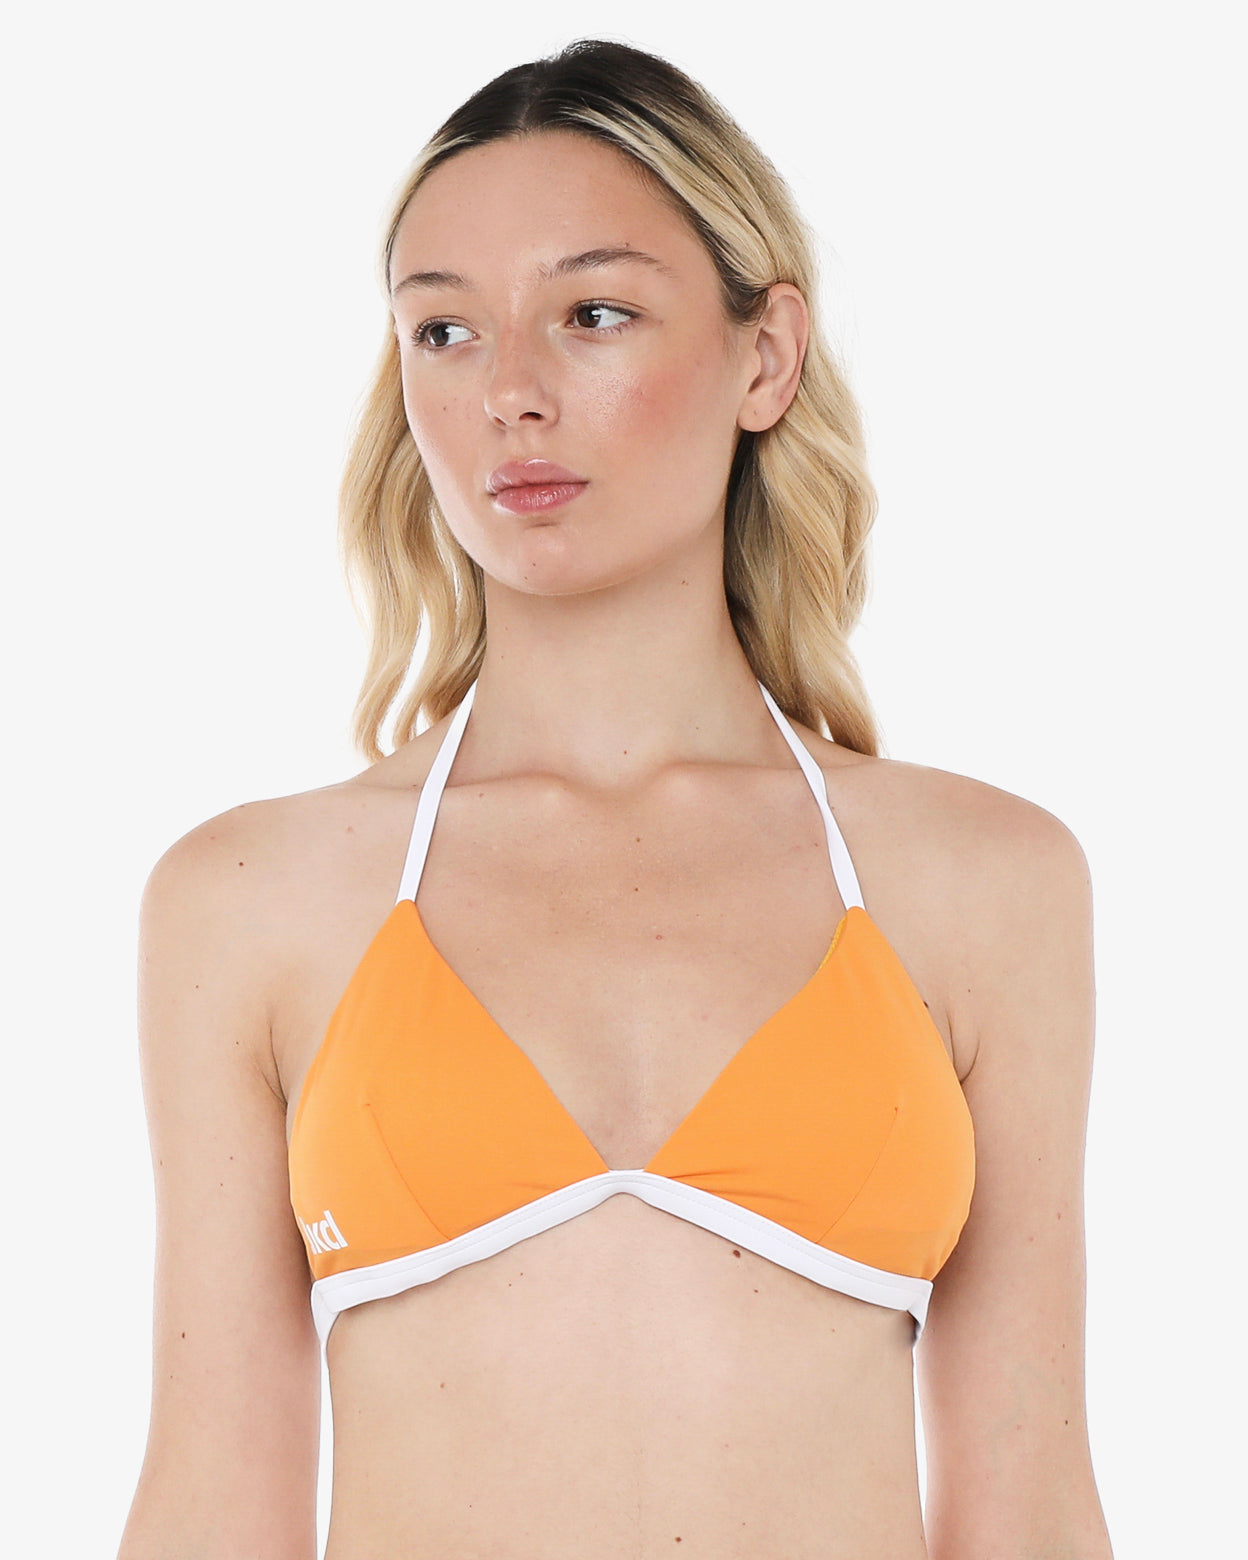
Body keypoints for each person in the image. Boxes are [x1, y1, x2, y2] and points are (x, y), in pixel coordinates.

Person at [118, 36, 1114, 1560]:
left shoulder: (987, 884)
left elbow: (1031, 1507)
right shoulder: (251, 903)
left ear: (766, 357)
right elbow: (210, 1508)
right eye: (445, 330)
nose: (511, 392)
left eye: (592, 315)